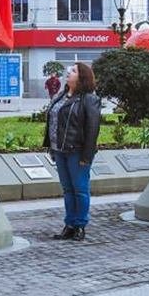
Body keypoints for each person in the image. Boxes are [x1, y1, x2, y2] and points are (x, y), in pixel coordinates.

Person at [44, 63, 101, 241]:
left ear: (82, 77)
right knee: (68, 189)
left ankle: (80, 225)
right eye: (69, 70)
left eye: (74, 71)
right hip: (59, 149)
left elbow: (92, 129)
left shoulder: (89, 99)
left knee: (80, 190)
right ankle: (69, 224)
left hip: (76, 151)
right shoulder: (61, 96)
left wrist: (87, 156)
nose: (68, 73)